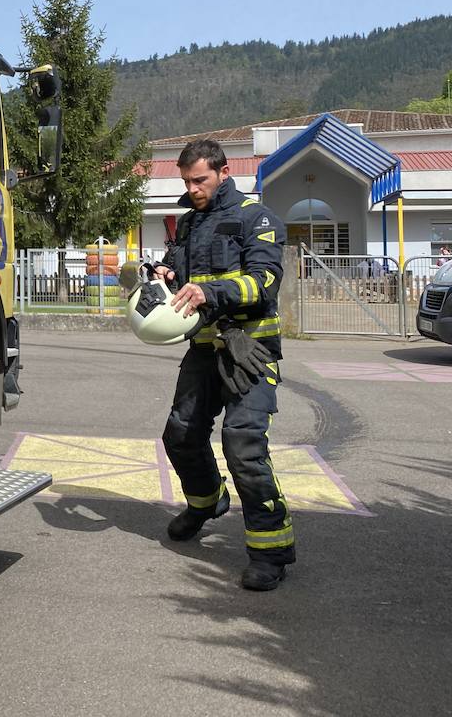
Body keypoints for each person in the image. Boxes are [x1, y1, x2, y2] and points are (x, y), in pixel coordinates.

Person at [154, 138, 293, 591]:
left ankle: (270, 552)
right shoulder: (190, 225)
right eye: (187, 181)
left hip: (249, 348)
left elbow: (263, 282)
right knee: (180, 434)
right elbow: (179, 270)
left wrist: (210, 293)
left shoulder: (259, 218)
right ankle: (206, 502)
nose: (193, 189)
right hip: (204, 347)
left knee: (243, 443)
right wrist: (165, 274)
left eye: (201, 180)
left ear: (224, 171)